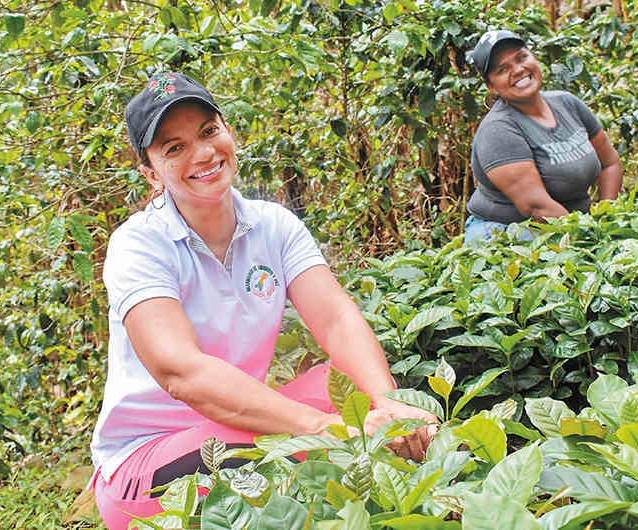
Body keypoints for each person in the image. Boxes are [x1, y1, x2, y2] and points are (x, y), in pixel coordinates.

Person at [89, 72, 437, 529]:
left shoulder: (274, 225)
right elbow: (182, 372)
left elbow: (335, 319)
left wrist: (387, 403)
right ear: (151, 173)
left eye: (209, 132)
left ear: (228, 130)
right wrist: (324, 429)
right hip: (148, 460)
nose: (203, 154)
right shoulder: (139, 245)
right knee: (309, 447)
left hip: (235, 425)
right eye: (174, 148)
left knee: (358, 393)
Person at [464, 30, 623, 241]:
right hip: (509, 231)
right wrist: (592, 240)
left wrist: (606, 216)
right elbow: (537, 207)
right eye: (503, 69)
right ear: (491, 86)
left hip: (571, 223)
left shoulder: (568, 104)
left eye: (521, 57)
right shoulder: (497, 130)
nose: (518, 70)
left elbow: (610, 163)